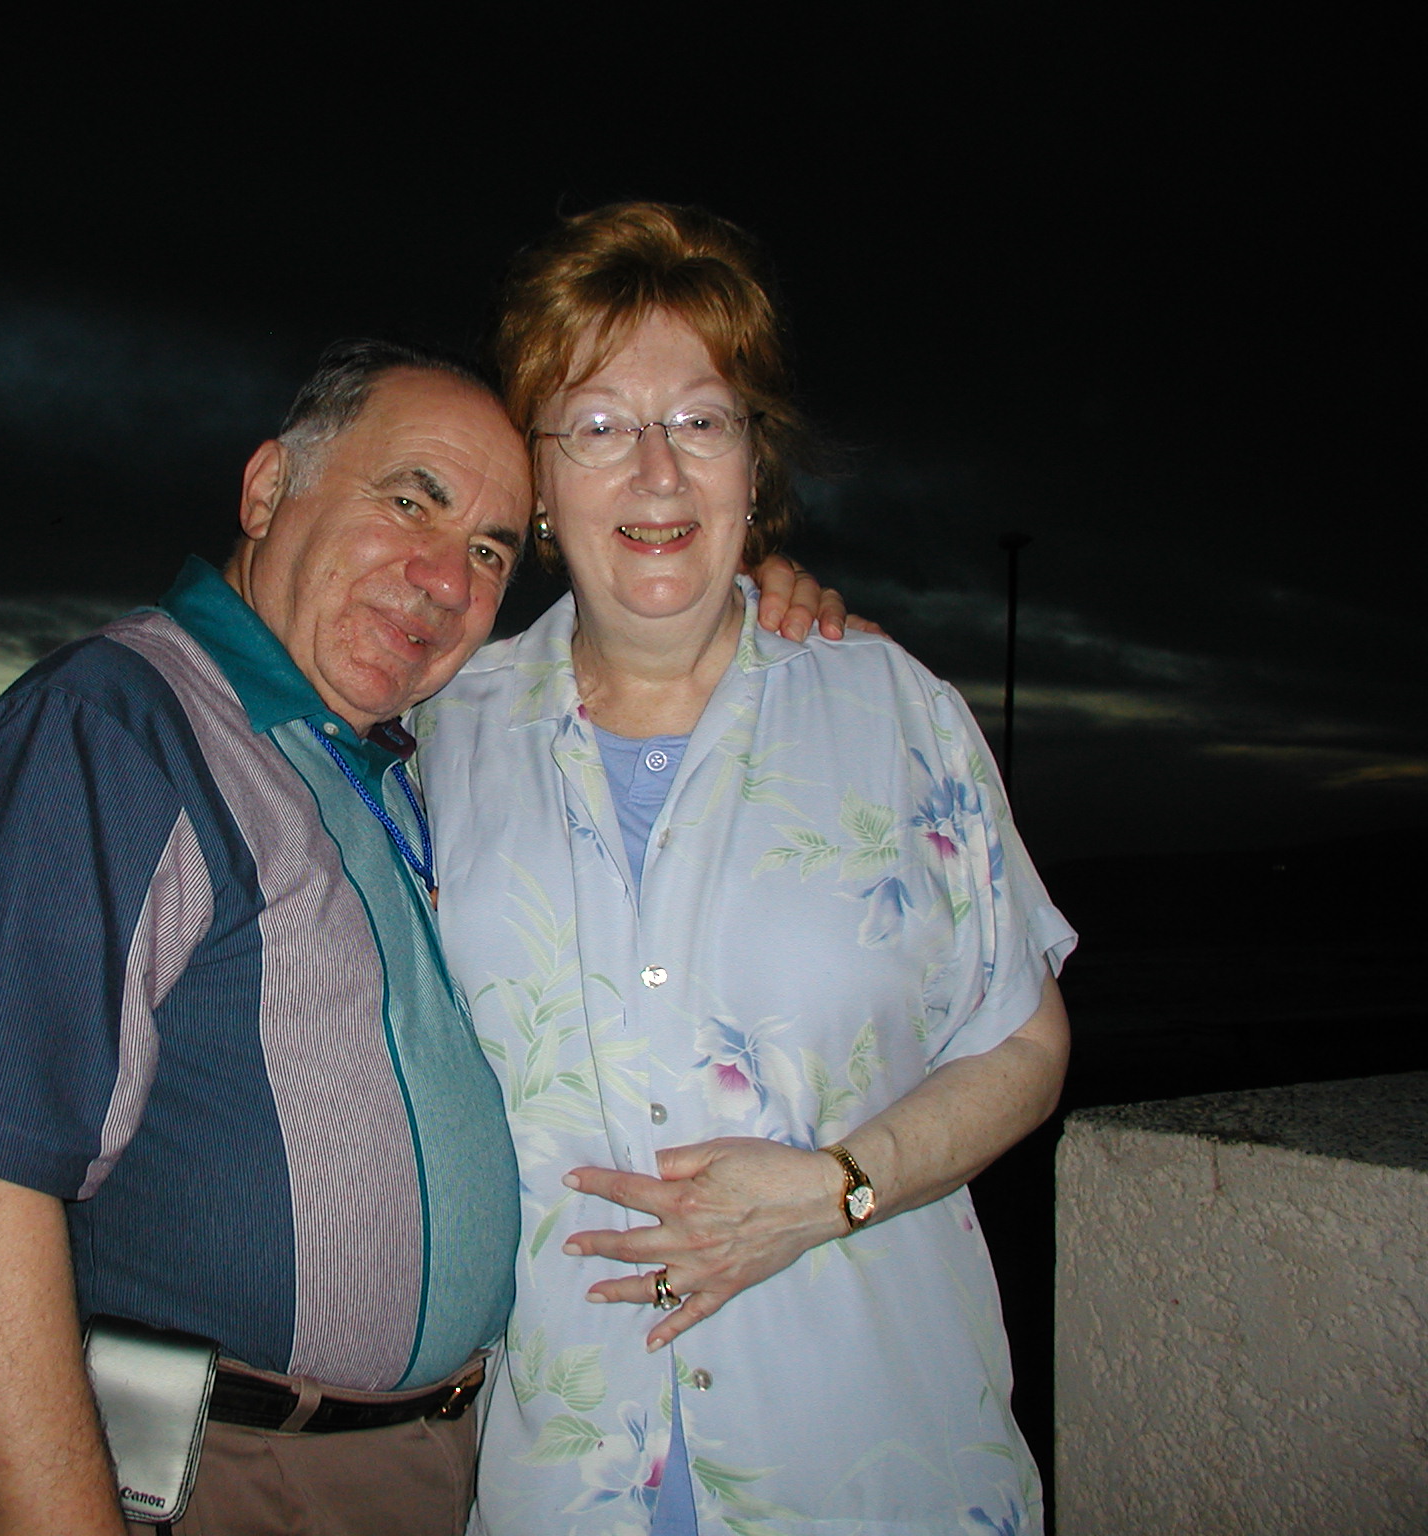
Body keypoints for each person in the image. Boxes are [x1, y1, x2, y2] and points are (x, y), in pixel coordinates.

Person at [0, 336, 847, 1535]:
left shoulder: (390, 760)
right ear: (266, 489)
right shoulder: (115, 731)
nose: (444, 580)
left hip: (433, 1468)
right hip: (222, 1475)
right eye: (410, 503)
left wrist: (748, 600)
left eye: (490, 549)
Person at [413, 203, 1074, 1534]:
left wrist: (843, 1184)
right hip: (562, 1483)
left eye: (700, 421)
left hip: (875, 1466)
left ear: (752, 462)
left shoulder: (889, 712)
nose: (656, 474)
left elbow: (1027, 1045)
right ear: (537, 482)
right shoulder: (441, 736)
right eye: (598, 426)